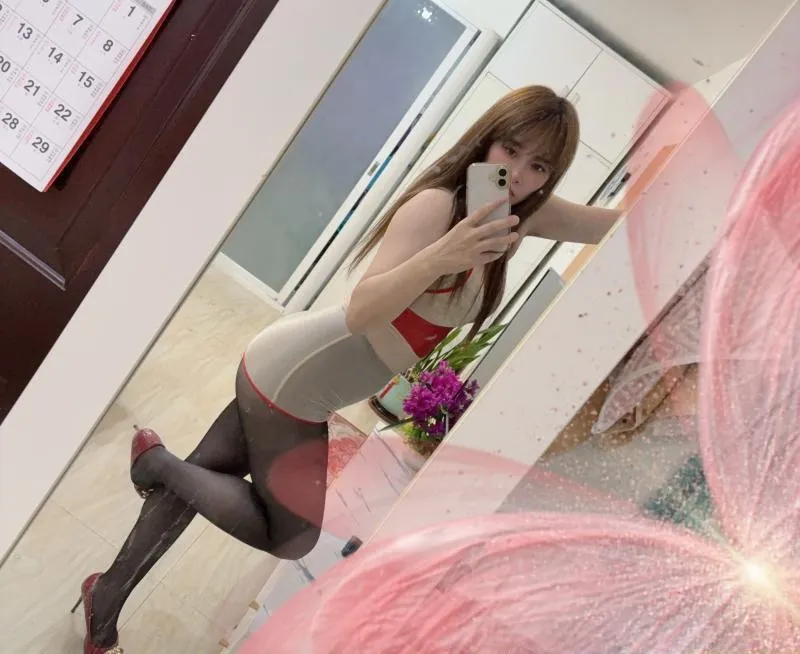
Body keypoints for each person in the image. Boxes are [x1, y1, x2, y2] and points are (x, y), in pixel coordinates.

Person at [75, 85, 621, 653]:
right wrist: (446, 254)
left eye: (539, 166)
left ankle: (105, 599)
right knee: (289, 536)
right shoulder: (437, 207)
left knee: (201, 480)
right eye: (510, 149)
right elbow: (362, 311)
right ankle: (156, 463)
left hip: (303, 376)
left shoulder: (516, 218)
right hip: (295, 380)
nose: (519, 174)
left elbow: (609, 223)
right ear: (487, 141)